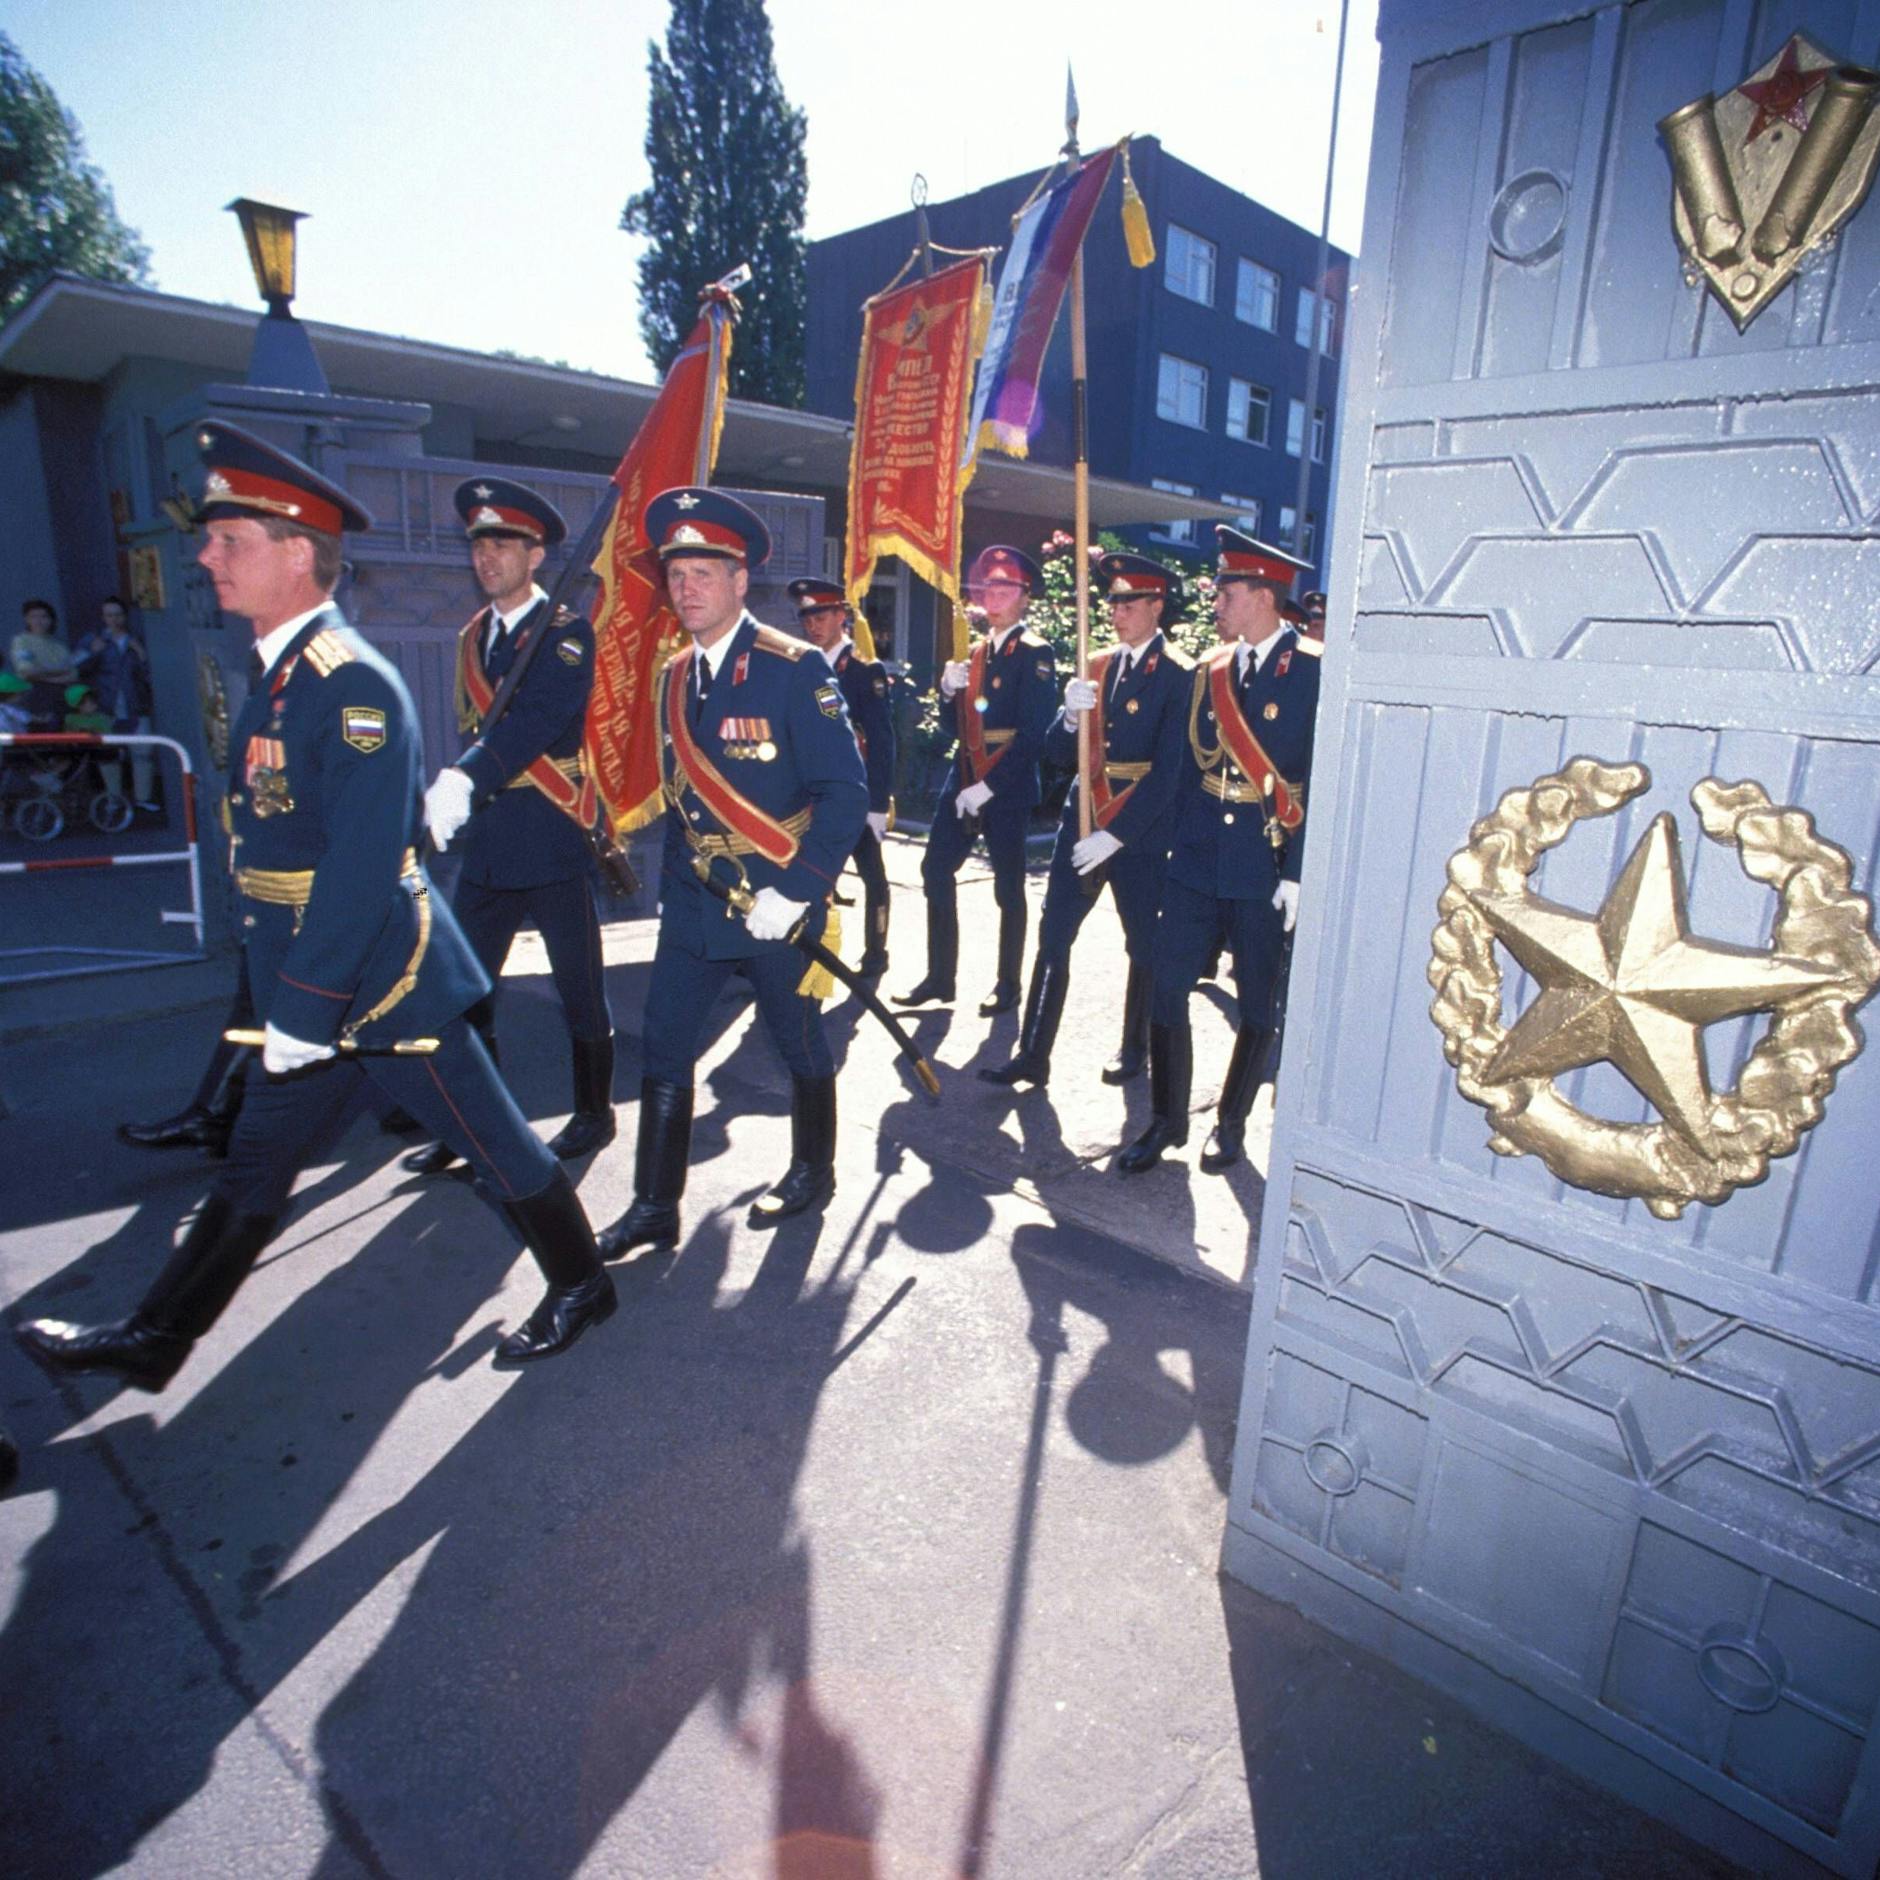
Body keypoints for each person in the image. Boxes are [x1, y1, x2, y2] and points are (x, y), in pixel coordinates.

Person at [15, 421, 614, 1390]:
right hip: (318, 986)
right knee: (255, 1163)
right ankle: (155, 1336)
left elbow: (362, 864)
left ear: (298, 554)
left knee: (500, 1143)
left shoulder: (351, 686)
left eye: (231, 539)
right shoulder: (281, 677)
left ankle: (584, 1283)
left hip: (382, 987)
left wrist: (294, 1009)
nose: (207, 555)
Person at [598, 488, 867, 1258]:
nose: (686, 589)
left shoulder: (795, 667)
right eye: (676, 575)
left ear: (740, 581)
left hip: (777, 896)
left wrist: (797, 892)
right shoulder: (674, 675)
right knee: (665, 1042)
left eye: (704, 574)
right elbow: (686, 794)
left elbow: (843, 793)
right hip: (696, 898)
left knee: (797, 1040)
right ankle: (655, 1204)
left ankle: (813, 1167)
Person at [403, 477, 615, 1178]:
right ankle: (477, 1123)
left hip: (552, 835)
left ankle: (593, 1112)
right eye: (479, 544)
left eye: (503, 543)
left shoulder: (564, 633)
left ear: (536, 554)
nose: (487, 556)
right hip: (493, 843)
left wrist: (466, 774)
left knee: (579, 985)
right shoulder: (472, 638)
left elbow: (536, 724)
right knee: (465, 991)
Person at [1117, 528, 1320, 1175]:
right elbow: (1181, 773)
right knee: (1167, 990)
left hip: (1265, 864)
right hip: (1199, 860)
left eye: (1227, 592)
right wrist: (1164, 855)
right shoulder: (1211, 671)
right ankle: (1167, 1121)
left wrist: (1298, 869)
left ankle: (1229, 1123)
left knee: (1257, 1005)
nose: (1216, 603)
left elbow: (1323, 778)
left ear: (1263, 597)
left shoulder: (1316, 670)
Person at [980, 551, 1191, 1089]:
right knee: (1054, 935)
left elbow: (1170, 773)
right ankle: (1032, 1053)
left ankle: (1133, 1047)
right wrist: (1070, 716)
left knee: (1142, 944)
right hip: (1083, 816)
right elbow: (1055, 753)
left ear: (1155, 606)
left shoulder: (1179, 675)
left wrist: (1116, 835)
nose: (1116, 612)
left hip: (1137, 832)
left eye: (1127, 602)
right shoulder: (1096, 664)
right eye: (1112, 601)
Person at [895, 545, 1057, 1015]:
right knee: (934, 870)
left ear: (1024, 597)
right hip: (963, 776)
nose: (994, 593)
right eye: (989, 585)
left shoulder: (1035, 653)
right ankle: (940, 977)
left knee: (1008, 887)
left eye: (1005, 587)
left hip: (1004, 785)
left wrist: (990, 786)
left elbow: (1034, 734)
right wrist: (947, 692)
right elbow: (956, 727)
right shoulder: (976, 652)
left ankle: (1008, 985)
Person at [788, 577, 896, 977]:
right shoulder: (800, 667)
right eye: (805, 616)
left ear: (841, 617)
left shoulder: (866, 672)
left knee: (872, 876)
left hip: (853, 794)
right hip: (808, 796)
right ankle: (806, 952)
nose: (812, 624)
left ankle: (876, 951)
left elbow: (882, 741)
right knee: (810, 875)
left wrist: (877, 805)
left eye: (820, 614)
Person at [80, 595, 158, 809]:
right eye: (109, 615)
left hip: (135, 704)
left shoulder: (137, 639)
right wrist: (91, 653)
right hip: (107, 705)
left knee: (142, 751)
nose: (114, 619)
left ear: (125, 616)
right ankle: (113, 797)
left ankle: (143, 798)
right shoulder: (93, 640)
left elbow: (151, 675)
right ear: (103, 617)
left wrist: (141, 653)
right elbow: (77, 669)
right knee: (109, 753)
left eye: (118, 614)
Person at [9, 599, 76, 687]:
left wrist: (44, 672)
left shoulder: (59, 646)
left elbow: (73, 674)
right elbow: (27, 671)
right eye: (33, 617)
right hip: (35, 691)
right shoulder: (21, 641)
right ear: (27, 620)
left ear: (51, 620)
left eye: (44, 617)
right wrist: (59, 671)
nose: (38, 621)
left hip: (63, 691)